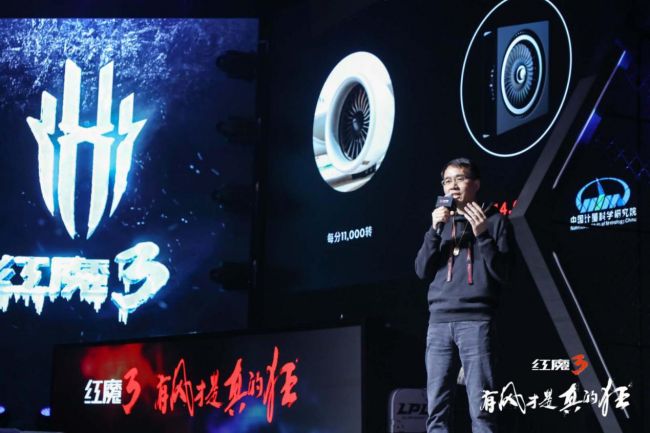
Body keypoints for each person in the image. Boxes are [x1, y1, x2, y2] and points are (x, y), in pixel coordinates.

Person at [415, 158, 513, 433]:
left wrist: (482, 235)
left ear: (476, 184)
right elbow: (421, 271)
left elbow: (505, 273)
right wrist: (434, 231)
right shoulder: (441, 224)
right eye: (447, 181)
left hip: (476, 321)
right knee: (436, 411)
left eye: (459, 178)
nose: (453, 186)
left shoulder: (495, 222)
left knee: (482, 411)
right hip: (438, 323)